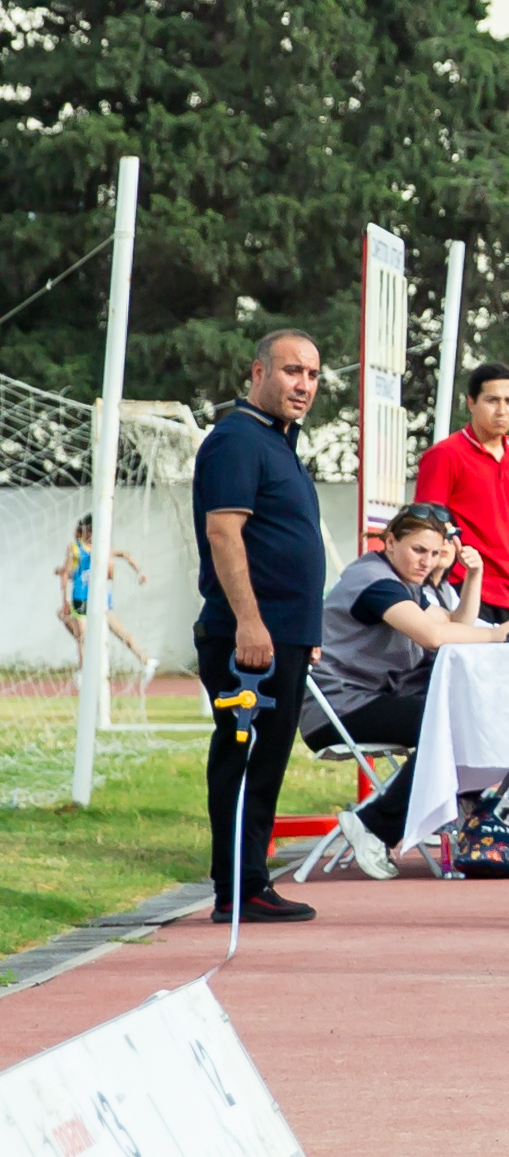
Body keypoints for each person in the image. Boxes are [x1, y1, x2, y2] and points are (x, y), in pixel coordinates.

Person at [302, 504, 509, 878]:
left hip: (370, 699)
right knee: (457, 725)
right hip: (338, 710)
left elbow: (455, 625)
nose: (426, 561)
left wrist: (475, 576)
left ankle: (462, 812)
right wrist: (498, 634)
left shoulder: (406, 584)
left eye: (436, 553)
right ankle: (375, 825)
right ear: (390, 542)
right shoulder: (375, 583)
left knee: (478, 720)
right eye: (418, 550)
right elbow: (434, 636)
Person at [193, 329, 329, 925]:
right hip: (248, 639)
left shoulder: (281, 443)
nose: (304, 384)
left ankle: (251, 882)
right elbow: (224, 532)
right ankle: (236, 889)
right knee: (243, 755)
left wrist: (308, 628)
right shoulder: (235, 440)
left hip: (285, 636)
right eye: (291, 371)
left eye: (313, 375)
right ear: (257, 372)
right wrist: (250, 622)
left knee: (269, 760)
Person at [413, 361, 509, 625]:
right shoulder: (445, 455)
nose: (502, 410)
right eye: (492, 400)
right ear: (471, 403)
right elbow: (425, 528)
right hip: (459, 589)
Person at [56, 514, 152, 677]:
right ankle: (84, 671)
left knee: (117, 633)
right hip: (84, 598)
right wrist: (64, 592)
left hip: (97, 598)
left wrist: (139, 572)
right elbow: (69, 572)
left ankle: (146, 661)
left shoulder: (101, 548)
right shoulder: (77, 548)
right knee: (80, 635)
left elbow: (122, 557)